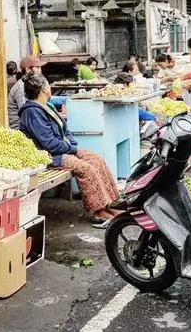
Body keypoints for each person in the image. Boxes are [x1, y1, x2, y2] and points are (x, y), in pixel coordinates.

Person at [19, 74, 120, 227]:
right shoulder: (32, 112)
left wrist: (72, 146)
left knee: (96, 159)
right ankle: (98, 212)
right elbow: (50, 144)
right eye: (48, 84)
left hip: (63, 149)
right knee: (85, 168)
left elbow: (65, 131)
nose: (49, 87)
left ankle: (109, 204)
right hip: (47, 156)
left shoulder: (48, 106)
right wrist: (71, 149)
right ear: (44, 89)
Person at [8, 55, 45, 129]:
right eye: (37, 67)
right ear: (28, 69)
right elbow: (27, 113)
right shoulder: (21, 87)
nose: (40, 70)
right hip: (20, 129)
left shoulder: (30, 84)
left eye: (40, 67)